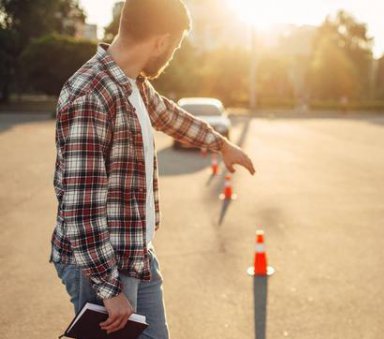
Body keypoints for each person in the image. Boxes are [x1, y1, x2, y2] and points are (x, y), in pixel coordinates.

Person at [49, 0, 255, 337]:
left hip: (135, 253)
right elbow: (80, 208)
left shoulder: (132, 83)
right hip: (102, 264)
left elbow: (169, 115)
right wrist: (109, 288)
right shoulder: (90, 94)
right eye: (174, 45)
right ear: (161, 41)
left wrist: (221, 143)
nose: (171, 55)